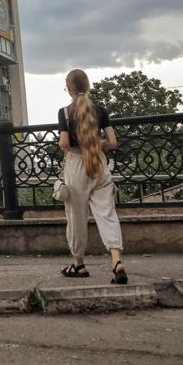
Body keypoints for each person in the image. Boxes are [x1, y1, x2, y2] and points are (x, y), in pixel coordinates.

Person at [57, 69, 127, 284]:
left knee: (76, 216)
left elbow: (64, 144)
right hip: (98, 163)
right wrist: (96, 144)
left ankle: (78, 264)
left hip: (77, 165)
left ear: (68, 87)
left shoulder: (65, 112)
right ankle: (116, 260)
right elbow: (113, 142)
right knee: (107, 214)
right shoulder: (100, 110)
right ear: (87, 86)